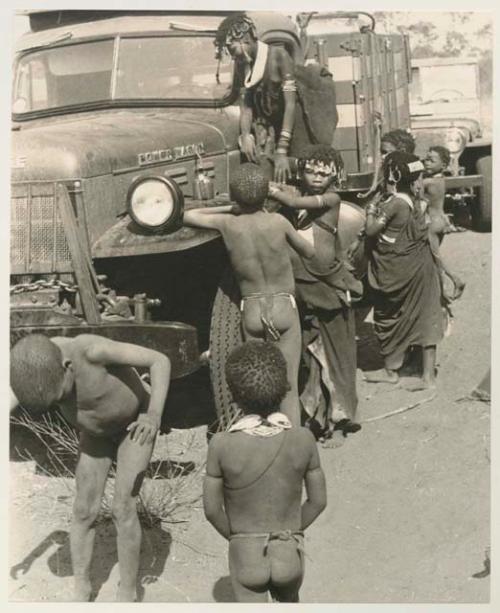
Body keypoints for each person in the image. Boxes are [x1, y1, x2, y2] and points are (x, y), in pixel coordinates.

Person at [10, 333, 171, 601]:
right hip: (95, 434)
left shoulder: (91, 351)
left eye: (61, 395)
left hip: (134, 425)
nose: (60, 402)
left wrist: (153, 415)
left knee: (122, 507)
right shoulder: (35, 364)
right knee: (83, 509)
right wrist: (28, 558)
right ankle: (82, 588)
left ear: (67, 367)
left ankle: (128, 590)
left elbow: (160, 360)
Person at [183, 163, 314, 425]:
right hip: (282, 306)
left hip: (252, 310)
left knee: (258, 383)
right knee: (286, 383)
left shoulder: (228, 223)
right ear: (266, 195)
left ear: (234, 196)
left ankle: (262, 435)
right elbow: (309, 252)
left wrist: (230, 207)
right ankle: (293, 442)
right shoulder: (278, 221)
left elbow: (187, 215)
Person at [203, 341, 326, 602]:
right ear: (285, 390)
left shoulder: (222, 445)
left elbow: (212, 510)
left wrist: (239, 537)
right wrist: (291, 530)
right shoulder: (303, 439)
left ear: (233, 395)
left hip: (246, 554)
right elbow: (318, 501)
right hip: (288, 550)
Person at [268, 145, 363, 441]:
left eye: (325, 172)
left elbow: (295, 204)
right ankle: (318, 418)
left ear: (336, 175)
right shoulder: (297, 196)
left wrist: (270, 189)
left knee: (334, 358)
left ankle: (337, 422)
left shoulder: (330, 199)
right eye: (311, 170)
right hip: (302, 286)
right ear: (301, 171)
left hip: (326, 286)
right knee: (311, 357)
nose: (318, 176)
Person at [361, 152, 446, 390]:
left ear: (392, 175)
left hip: (399, 270)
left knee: (389, 315)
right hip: (420, 267)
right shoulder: (416, 201)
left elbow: (370, 231)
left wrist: (370, 211)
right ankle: (422, 374)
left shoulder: (395, 203)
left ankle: (395, 372)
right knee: (426, 317)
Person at [214, 13, 297, 182]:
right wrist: (245, 135)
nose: (234, 56)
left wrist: (282, 150)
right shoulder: (241, 64)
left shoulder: (279, 56)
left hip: (291, 126)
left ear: (245, 39)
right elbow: (246, 106)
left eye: (233, 50)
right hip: (266, 129)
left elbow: (290, 105)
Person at [422, 146, 466, 300]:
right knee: (434, 258)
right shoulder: (440, 179)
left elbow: (418, 200)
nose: (426, 163)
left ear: (443, 165)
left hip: (432, 225)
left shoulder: (427, 182)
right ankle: (441, 292)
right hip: (441, 220)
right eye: (426, 159)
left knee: (436, 259)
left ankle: (455, 280)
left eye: (431, 160)